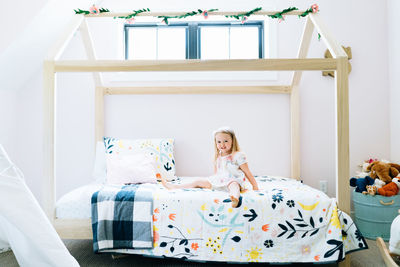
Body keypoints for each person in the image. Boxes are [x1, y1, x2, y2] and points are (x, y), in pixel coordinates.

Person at [161, 127, 259, 208]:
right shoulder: (218, 156)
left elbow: (247, 172)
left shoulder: (238, 155)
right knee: (198, 181)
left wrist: (255, 186)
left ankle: (235, 198)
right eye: (219, 142)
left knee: (233, 185)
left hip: (234, 180)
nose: (222, 144)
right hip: (220, 181)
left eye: (226, 141)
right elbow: (216, 173)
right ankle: (174, 187)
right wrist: (212, 181)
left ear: (232, 141)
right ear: (215, 143)